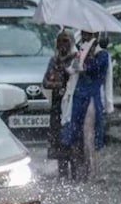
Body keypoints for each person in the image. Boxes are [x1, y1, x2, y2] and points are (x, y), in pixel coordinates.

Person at [60, 31, 113, 181]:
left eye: (88, 35)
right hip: (78, 98)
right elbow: (72, 69)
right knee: (77, 134)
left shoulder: (102, 55)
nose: (85, 37)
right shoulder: (81, 51)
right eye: (83, 34)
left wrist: (82, 61)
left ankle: (93, 170)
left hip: (91, 98)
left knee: (90, 135)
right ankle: (81, 169)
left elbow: (92, 69)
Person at [42, 30, 76, 177]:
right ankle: (62, 174)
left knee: (71, 137)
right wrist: (60, 84)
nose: (62, 44)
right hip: (57, 105)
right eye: (60, 41)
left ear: (72, 43)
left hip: (71, 104)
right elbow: (46, 82)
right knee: (58, 137)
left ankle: (75, 172)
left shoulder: (75, 59)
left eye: (66, 41)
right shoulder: (54, 60)